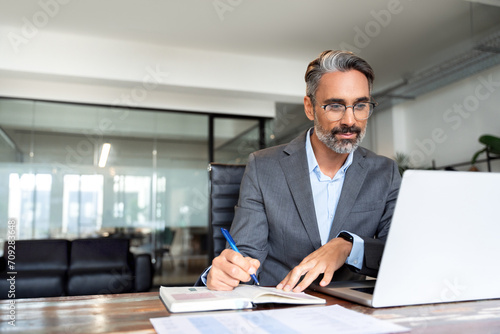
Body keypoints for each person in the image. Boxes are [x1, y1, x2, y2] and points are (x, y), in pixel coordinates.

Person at [202, 50, 401, 292]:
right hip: (278, 307)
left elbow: (400, 251)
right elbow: (246, 255)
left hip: (350, 313)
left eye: (360, 105)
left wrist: (348, 246)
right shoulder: (263, 167)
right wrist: (226, 273)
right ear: (310, 108)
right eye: (336, 106)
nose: (350, 120)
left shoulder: (385, 172)